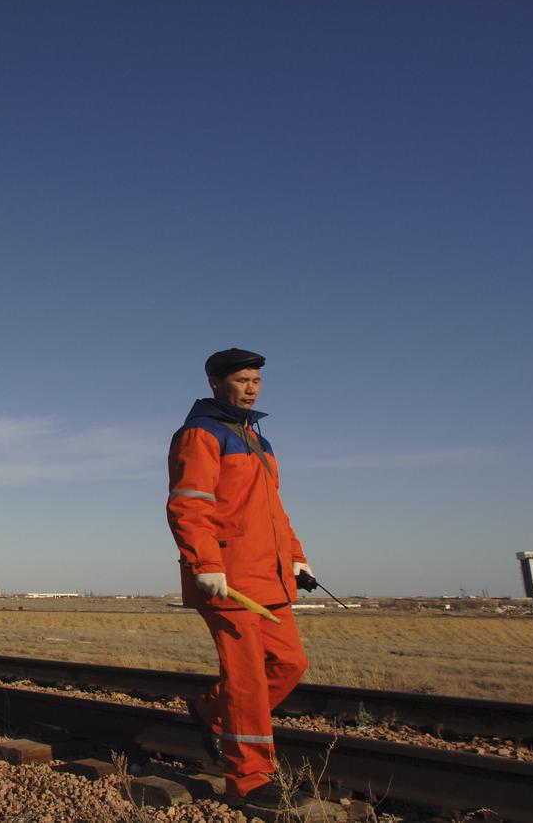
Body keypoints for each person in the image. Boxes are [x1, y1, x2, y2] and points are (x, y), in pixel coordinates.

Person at [166, 348, 314, 812]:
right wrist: (204, 562)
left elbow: (274, 513)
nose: (251, 387)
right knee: (247, 682)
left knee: (290, 664)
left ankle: (212, 711)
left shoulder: (258, 440)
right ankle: (248, 780)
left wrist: (297, 558)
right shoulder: (199, 434)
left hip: (270, 579)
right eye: (242, 380)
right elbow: (188, 503)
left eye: (256, 380)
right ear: (215, 382)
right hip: (229, 581)